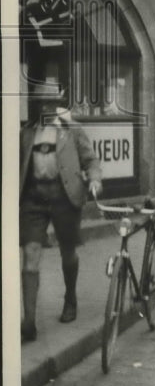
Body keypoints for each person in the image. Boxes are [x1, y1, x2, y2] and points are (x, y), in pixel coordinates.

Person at [20, 82, 103, 342]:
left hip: (64, 197)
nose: (45, 107)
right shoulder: (27, 132)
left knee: (68, 251)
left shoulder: (72, 130)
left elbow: (91, 160)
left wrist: (94, 179)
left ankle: (70, 299)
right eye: (40, 103)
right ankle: (29, 322)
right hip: (34, 200)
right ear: (36, 105)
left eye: (50, 103)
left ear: (57, 104)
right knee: (30, 254)